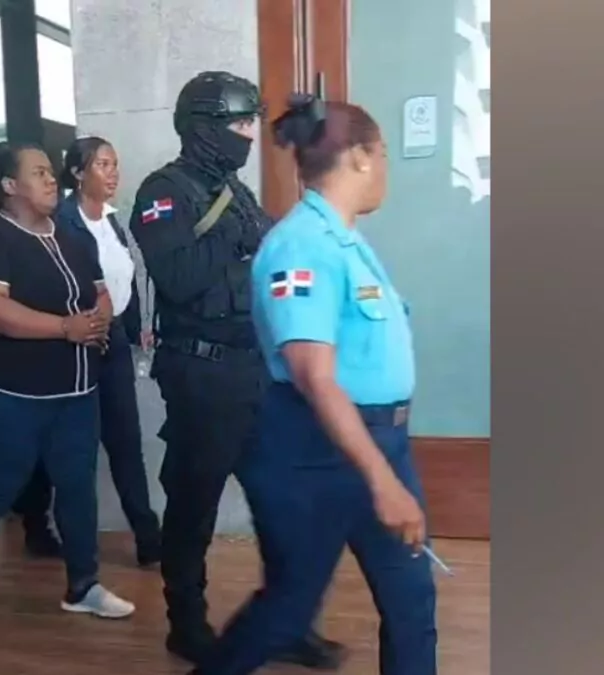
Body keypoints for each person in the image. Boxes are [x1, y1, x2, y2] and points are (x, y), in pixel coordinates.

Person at [194, 96, 437, 675]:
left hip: (378, 442)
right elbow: (313, 375)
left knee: (411, 600)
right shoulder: (300, 245)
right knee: (287, 609)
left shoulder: (345, 240)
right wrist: (382, 481)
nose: (384, 168)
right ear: (359, 156)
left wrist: (386, 469)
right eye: (382, 153)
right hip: (315, 452)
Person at [128, 71, 344, 668]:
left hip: (255, 371)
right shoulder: (163, 192)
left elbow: (271, 259)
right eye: (241, 123)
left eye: (253, 122)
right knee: (194, 507)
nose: (249, 134)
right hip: (202, 375)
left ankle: (286, 621)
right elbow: (181, 278)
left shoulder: (236, 192)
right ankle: (186, 624)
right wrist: (251, 256)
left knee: (281, 504)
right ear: (205, 127)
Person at [0, 141, 136, 619]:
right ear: (10, 185)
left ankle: (83, 585)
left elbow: (100, 292)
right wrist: (65, 328)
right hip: (8, 389)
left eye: (52, 171)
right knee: (4, 478)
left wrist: (98, 321)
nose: (52, 179)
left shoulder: (70, 236)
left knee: (77, 486)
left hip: (76, 388)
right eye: (39, 173)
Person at [54, 135, 162, 567]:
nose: (113, 173)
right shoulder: (62, 221)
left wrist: (137, 329)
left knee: (126, 441)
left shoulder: (114, 220)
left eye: (114, 164)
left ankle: (147, 536)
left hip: (113, 339)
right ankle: (73, 543)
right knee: (77, 447)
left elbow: (124, 279)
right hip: (76, 343)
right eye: (102, 164)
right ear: (78, 173)